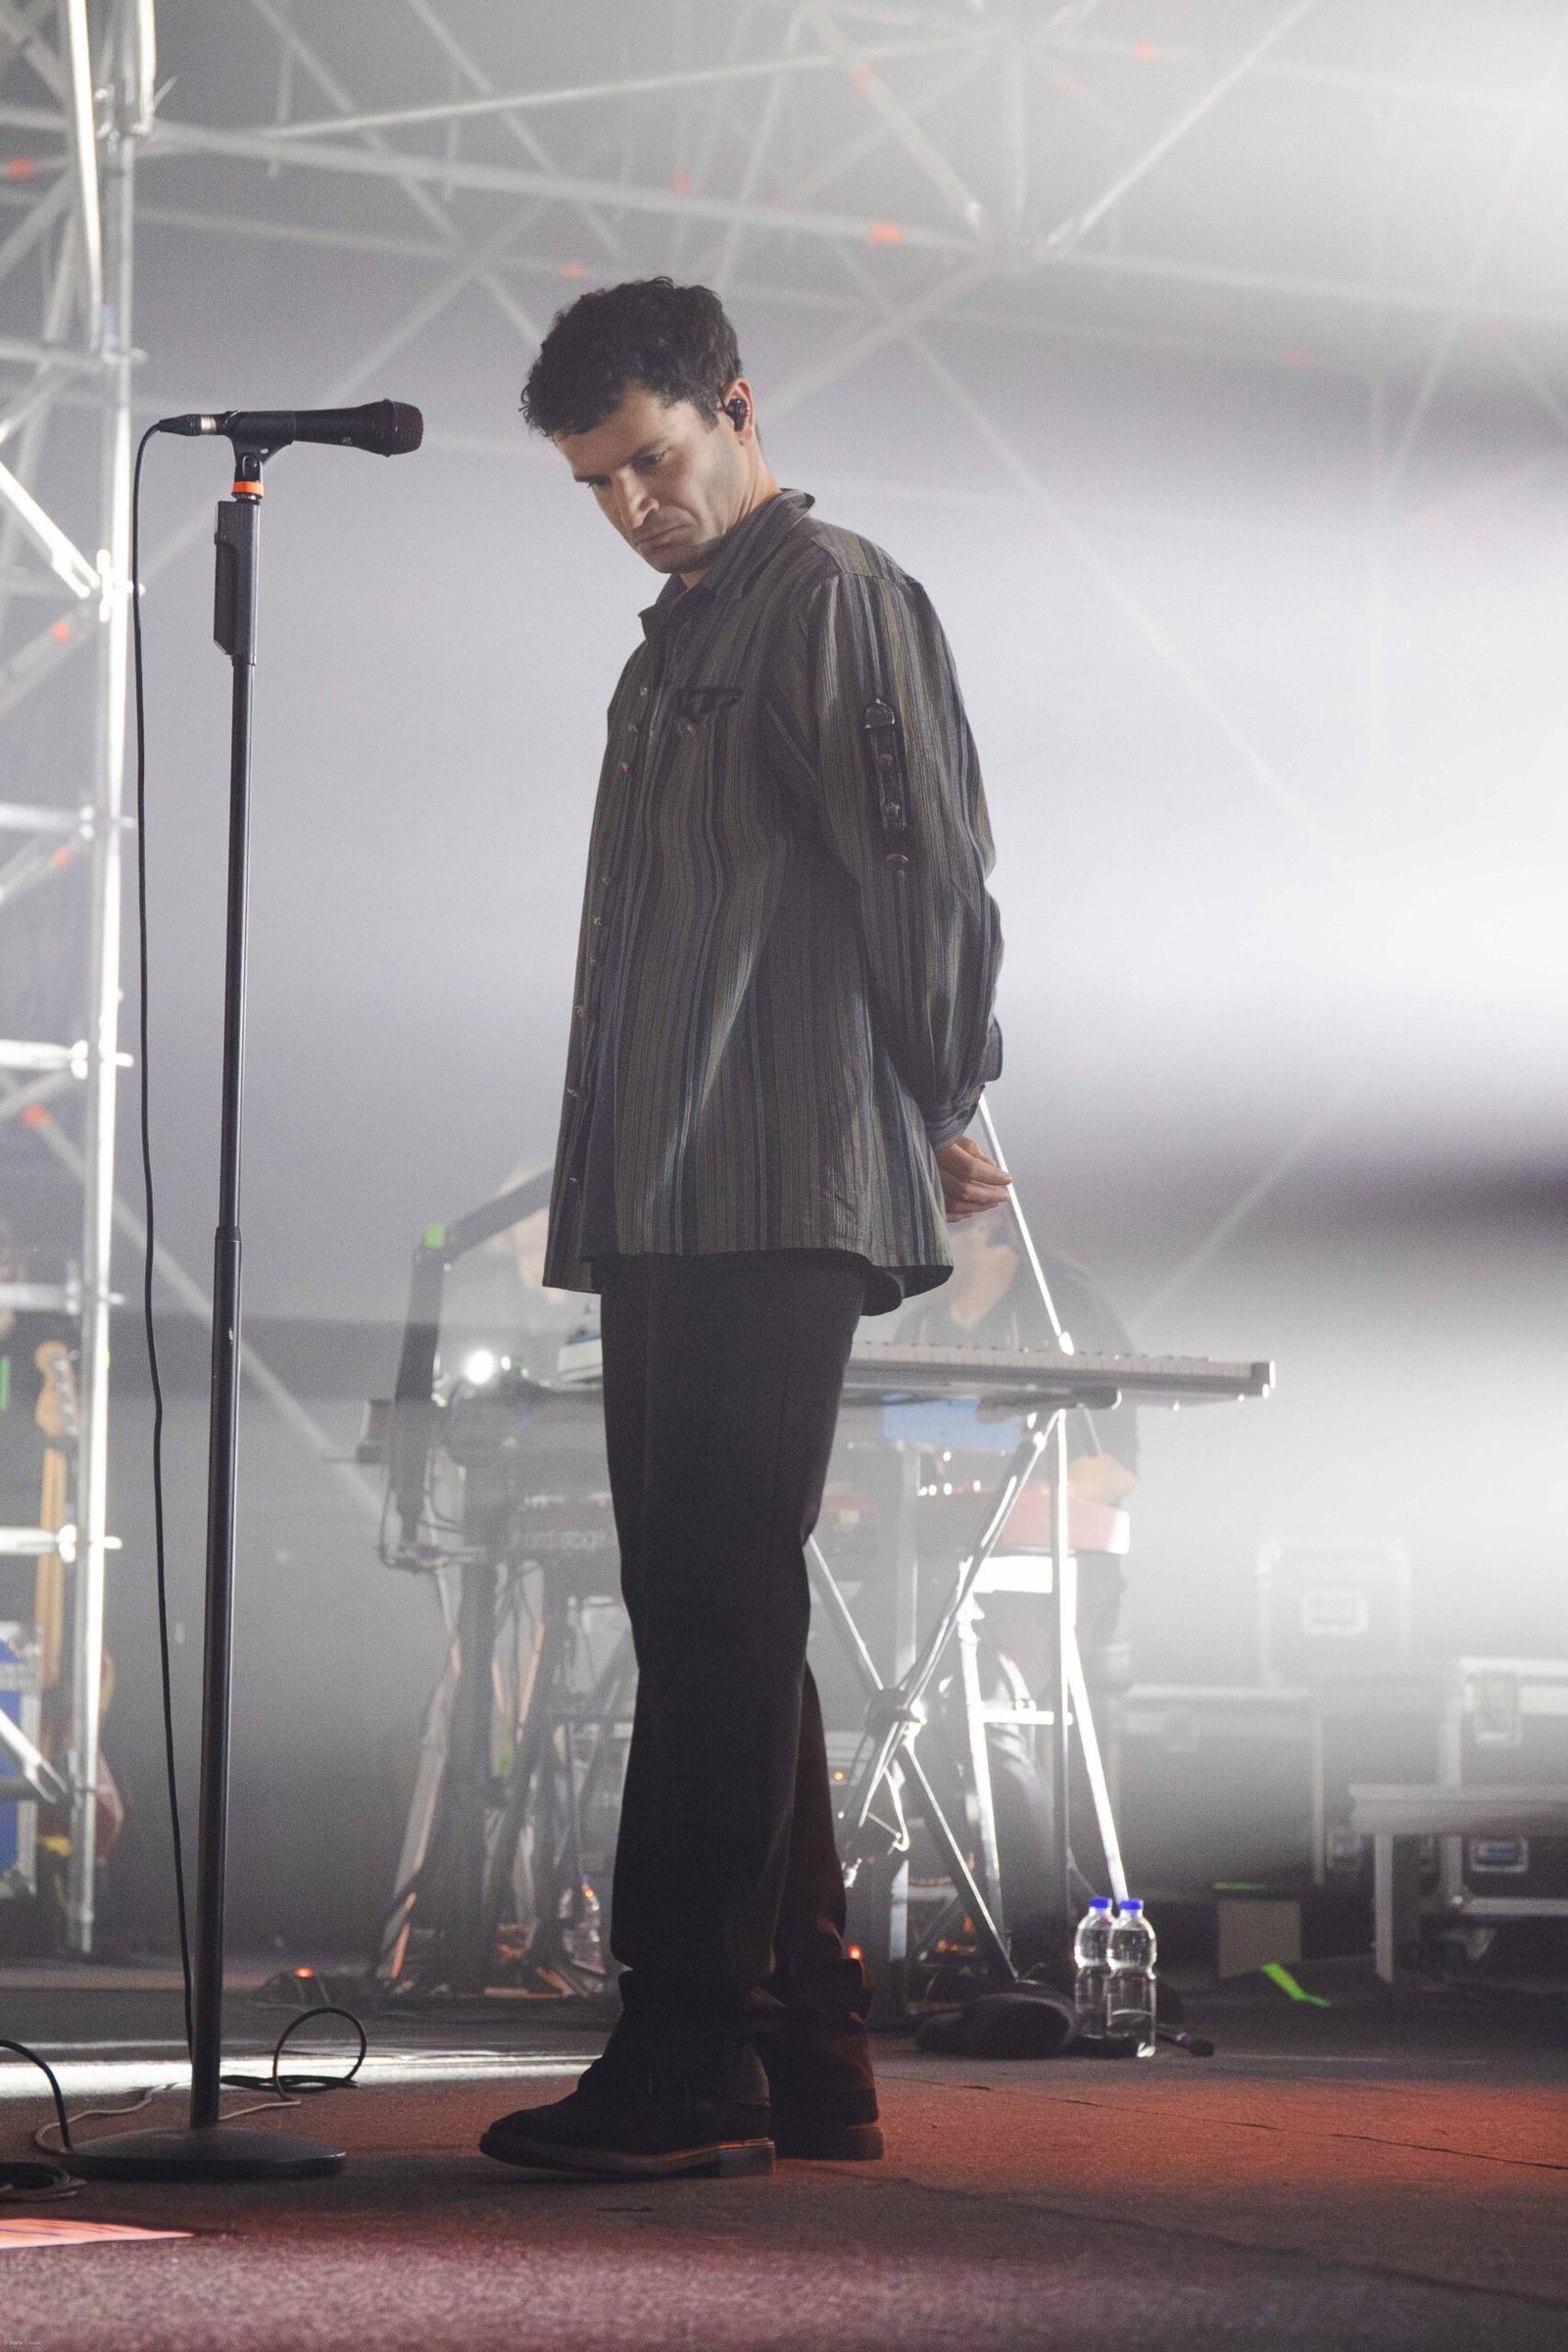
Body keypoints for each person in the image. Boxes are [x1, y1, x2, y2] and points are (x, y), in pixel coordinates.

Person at [480, 278, 1005, 2181]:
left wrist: (945, 1087)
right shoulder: (679, 641)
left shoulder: (831, 594)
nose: (632, 505)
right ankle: (803, 2052)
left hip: (777, 1174)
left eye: (651, 459)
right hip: (672, 1185)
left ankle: (693, 2055)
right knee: (715, 1605)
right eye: (595, 484)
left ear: (735, 406)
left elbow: (921, 865)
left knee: (713, 1604)